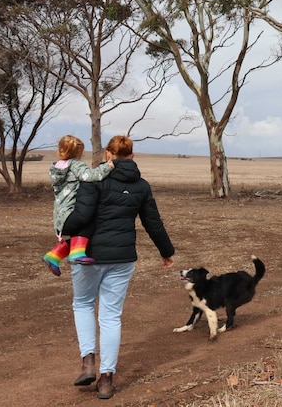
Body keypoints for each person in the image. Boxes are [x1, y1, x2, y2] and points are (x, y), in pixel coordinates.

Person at [61, 135, 175, 400]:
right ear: (132, 157)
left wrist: (63, 230)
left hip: (88, 254)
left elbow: (82, 215)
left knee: (83, 304)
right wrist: (167, 252)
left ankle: (88, 361)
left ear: (108, 155)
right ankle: (106, 378)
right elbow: (153, 222)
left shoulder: (94, 179)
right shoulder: (142, 186)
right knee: (111, 317)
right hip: (123, 258)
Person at [42, 135, 114, 276]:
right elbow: (91, 176)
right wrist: (108, 166)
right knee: (89, 223)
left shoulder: (56, 168)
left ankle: (54, 255)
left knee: (80, 233)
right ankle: (75, 254)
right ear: (78, 152)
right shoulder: (76, 165)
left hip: (61, 218)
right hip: (72, 213)